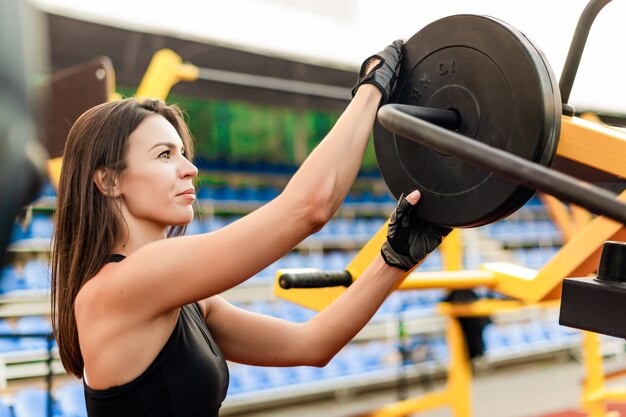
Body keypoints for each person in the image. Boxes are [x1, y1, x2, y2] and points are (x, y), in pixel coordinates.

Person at [51, 40, 450, 417]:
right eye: (164, 155)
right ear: (109, 181)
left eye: (184, 154)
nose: (189, 168)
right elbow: (309, 207)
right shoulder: (118, 289)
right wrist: (371, 88)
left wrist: (395, 259)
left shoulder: (184, 299)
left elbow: (311, 345)